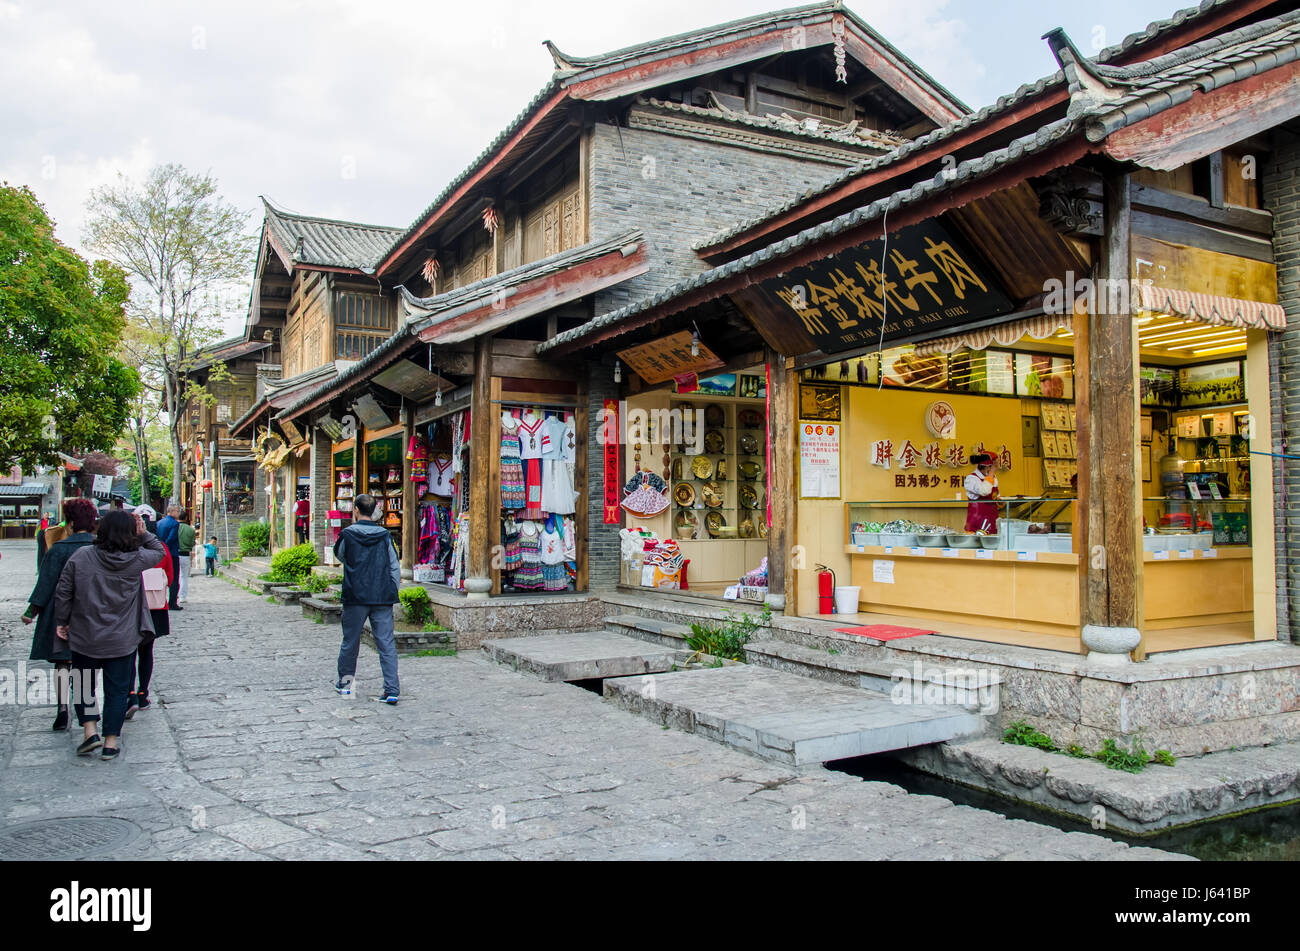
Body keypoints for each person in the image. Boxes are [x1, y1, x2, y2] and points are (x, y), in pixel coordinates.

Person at [54, 510, 166, 759]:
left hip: (85, 635)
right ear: (130, 533)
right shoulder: (136, 559)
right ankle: (110, 742)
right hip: (122, 639)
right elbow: (159, 551)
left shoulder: (82, 556)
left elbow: (64, 591)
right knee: (117, 691)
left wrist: (62, 621)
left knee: (83, 686)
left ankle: (90, 732)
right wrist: (144, 532)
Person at [22, 498, 98, 731]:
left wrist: (31, 610)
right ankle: (87, 711)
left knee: (62, 663)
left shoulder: (58, 549)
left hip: (60, 612)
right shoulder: (98, 548)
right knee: (85, 664)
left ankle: (62, 708)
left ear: (71, 522)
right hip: (91, 613)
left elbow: (45, 583)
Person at [332, 493, 400, 704]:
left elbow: (340, 555)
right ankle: (391, 690)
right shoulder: (384, 535)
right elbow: (394, 566)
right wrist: (391, 589)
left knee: (350, 642)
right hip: (381, 596)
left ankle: (345, 684)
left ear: (355, 510)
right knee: (386, 643)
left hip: (355, 595)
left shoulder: (347, 535)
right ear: (375, 511)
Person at [128, 541, 172, 718]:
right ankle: (143, 693)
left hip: (130, 606)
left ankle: (129, 693)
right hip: (155, 607)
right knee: (146, 651)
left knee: (128, 652)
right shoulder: (160, 548)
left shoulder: (125, 546)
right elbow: (169, 576)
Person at [964, 452, 1000, 534]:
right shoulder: (971, 479)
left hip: (992, 520)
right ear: (985, 466)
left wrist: (999, 501)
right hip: (977, 522)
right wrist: (991, 474)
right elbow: (984, 491)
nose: (994, 469)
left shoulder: (992, 477)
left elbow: (995, 495)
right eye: (992, 467)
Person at [155, 504, 182, 611]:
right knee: (174, 578)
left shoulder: (159, 523)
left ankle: (158, 600)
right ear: (172, 511)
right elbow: (171, 538)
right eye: (178, 511)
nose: (179, 513)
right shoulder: (174, 523)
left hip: (159, 552)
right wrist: (165, 549)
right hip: (171, 553)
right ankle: (172, 602)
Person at [176, 511, 195, 603]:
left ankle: (174, 595)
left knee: (175, 576)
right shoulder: (190, 530)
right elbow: (192, 543)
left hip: (175, 554)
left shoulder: (174, 527)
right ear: (186, 518)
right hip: (185, 554)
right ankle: (182, 597)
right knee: (184, 576)